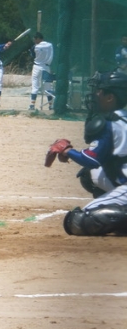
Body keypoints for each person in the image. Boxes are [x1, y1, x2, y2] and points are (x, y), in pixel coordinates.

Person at [51, 70, 127, 236]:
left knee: (78, 221)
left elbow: (90, 160)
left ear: (110, 97)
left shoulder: (111, 123)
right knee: (89, 175)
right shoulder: (123, 118)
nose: (95, 94)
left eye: (100, 91)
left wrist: (67, 150)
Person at [30, 32, 54, 110]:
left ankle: (32, 105)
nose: (34, 41)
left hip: (37, 67)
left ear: (38, 39)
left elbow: (32, 55)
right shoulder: (50, 45)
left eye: (35, 39)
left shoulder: (35, 47)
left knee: (35, 86)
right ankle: (50, 105)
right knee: (48, 87)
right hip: (46, 67)